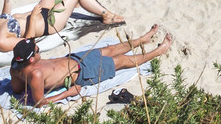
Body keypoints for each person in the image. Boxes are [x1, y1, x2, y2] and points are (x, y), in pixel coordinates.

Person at [9, 29, 173, 107]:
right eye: (37, 50)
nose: (39, 50)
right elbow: (39, 102)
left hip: (75, 58)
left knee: (111, 49)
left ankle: (142, 40)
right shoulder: (35, 74)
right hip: (84, 73)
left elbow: (16, 89)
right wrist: (67, 93)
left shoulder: (15, 67)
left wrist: (22, 84)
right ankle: (158, 51)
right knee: (121, 60)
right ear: (31, 59)